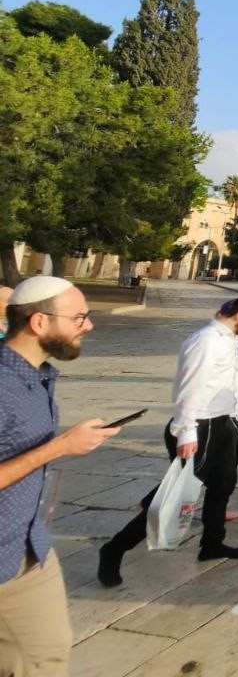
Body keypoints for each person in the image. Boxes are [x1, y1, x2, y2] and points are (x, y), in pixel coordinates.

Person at [99, 291, 238, 589]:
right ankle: (114, 549)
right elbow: (188, 388)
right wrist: (186, 431)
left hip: (224, 422)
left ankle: (212, 543)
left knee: (222, 485)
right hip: (199, 426)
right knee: (176, 495)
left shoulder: (228, 340)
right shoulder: (205, 341)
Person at [2, 277, 120, 674]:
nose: (89, 325)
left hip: (28, 542)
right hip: (5, 560)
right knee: (41, 662)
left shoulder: (36, 375)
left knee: (45, 654)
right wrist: (59, 447)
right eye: (79, 317)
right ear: (39, 322)